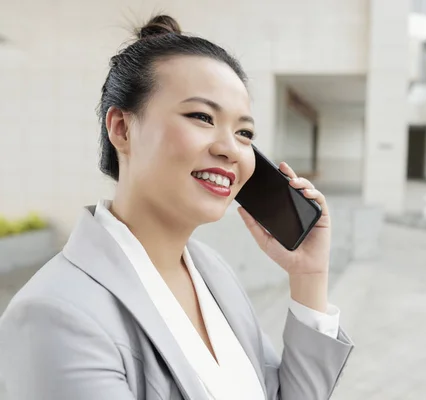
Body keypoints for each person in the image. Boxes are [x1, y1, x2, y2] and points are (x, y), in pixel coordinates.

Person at [0, 15, 353, 400]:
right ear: (121, 128)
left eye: (244, 133)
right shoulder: (55, 315)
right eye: (202, 117)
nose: (230, 148)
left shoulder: (213, 273)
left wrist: (309, 276)